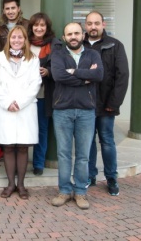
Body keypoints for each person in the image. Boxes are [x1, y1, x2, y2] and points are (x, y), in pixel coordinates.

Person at [50, 22, 103, 210]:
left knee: (83, 156)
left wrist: (75, 72)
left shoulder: (93, 54)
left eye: (76, 33)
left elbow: (99, 75)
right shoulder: (57, 55)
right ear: (64, 38)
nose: (73, 36)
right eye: (69, 34)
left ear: (83, 35)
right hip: (62, 110)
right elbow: (58, 76)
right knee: (63, 154)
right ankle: (64, 190)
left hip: (86, 111)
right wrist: (85, 78)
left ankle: (80, 192)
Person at [0, 25, 41, 199]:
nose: (17, 40)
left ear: (25, 40)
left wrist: (19, 103)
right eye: (14, 37)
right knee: (9, 147)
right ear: (8, 39)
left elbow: (35, 84)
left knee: (23, 147)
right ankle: (10, 184)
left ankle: (21, 185)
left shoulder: (33, 59)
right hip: (4, 109)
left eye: (20, 37)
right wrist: (7, 102)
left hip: (25, 109)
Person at [84, 11, 129, 196]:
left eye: (96, 23)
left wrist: (114, 102)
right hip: (85, 104)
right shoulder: (80, 45)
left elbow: (122, 76)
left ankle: (111, 178)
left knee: (107, 141)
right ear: (85, 25)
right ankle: (90, 175)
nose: (93, 27)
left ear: (103, 24)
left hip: (106, 105)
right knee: (88, 143)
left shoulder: (115, 45)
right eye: (89, 23)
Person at [0, 0, 28, 162]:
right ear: (4, 11)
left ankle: (20, 150)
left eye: (13, 8)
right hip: (5, 70)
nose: (11, 11)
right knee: (6, 112)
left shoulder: (27, 24)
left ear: (18, 8)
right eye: (7, 9)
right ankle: (3, 148)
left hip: (23, 69)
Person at [27, 12, 58, 176]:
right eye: (36, 25)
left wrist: (48, 71)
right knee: (23, 129)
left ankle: (38, 163)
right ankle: (21, 163)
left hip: (43, 95)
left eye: (42, 25)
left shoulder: (54, 44)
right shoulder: (24, 42)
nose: (39, 28)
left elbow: (60, 67)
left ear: (47, 27)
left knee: (41, 129)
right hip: (24, 95)